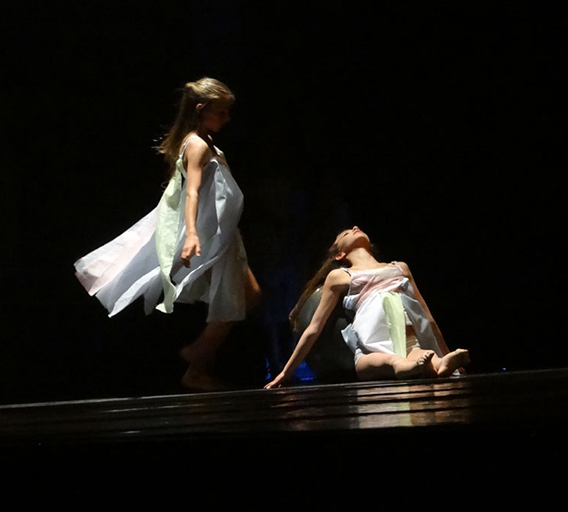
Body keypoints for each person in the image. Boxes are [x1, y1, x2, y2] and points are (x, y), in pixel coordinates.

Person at [74, 77, 261, 391]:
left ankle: (200, 355)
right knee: (238, 298)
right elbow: (192, 193)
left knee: (251, 295)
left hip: (224, 234)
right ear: (201, 109)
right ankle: (198, 360)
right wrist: (191, 234)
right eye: (221, 112)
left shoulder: (207, 142)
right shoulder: (197, 144)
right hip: (211, 236)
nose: (226, 119)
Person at [264, 226, 468, 389]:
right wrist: (286, 373)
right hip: (372, 338)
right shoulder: (340, 276)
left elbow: (427, 317)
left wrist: (444, 352)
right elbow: (314, 328)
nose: (354, 227)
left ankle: (439, 364)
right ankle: (401, 365)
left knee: (416, 354)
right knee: (367, 362)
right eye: (345, 233)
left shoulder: (399, 267)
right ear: (339, 254)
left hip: (406, 332)